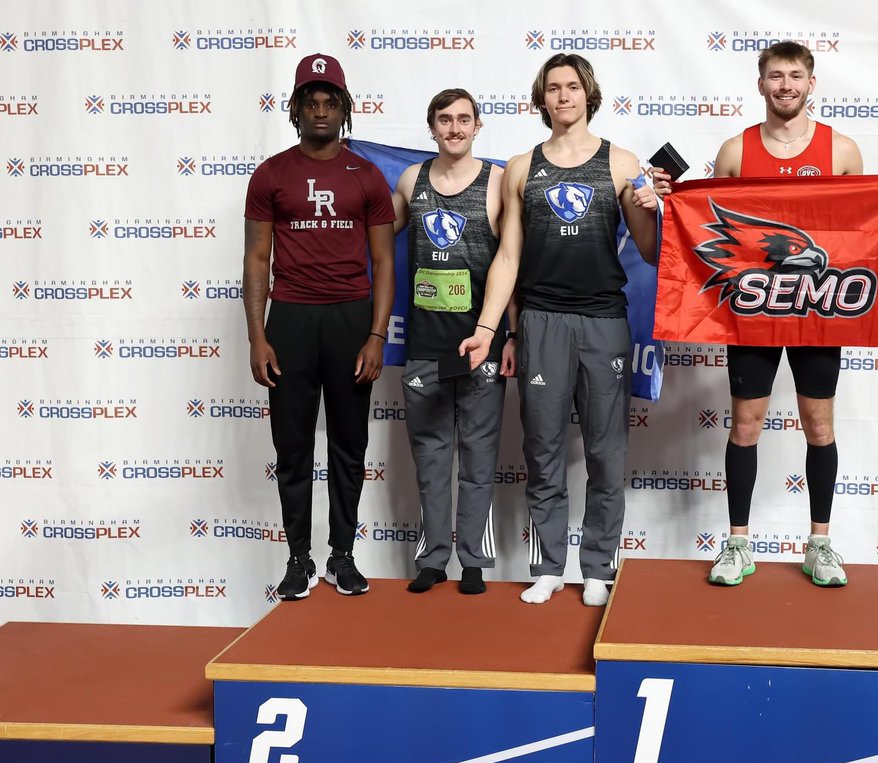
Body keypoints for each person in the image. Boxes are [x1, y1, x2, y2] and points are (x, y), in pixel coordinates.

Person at [701, 41, 878, 588]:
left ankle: (820, 544)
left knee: (819, 425)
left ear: (811, 84)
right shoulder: (735, 151)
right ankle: (737, 543)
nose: (785, 85)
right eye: (775, 76)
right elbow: (710, 222)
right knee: (746, 425)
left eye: (795, 76)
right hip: (755, 310)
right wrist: (665, 199)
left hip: (820, 310)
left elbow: (864, 225)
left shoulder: (842, 150)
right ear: (760, 84)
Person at [459, 53, 661, 606]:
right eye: (553, 88)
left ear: (587, 94)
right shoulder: (521, 167)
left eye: (572, 86)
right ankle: (548, 566)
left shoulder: (621, 162)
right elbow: (508, 258)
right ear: (541, 98)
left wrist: (650, 207)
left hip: (604, 320)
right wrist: (488, 328)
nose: (564, 96)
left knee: (606, 452)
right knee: (542, 449)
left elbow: (648, 250)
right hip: (541, 322)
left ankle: (598, 568)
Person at [243, 53, 396, 600]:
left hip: (350, 318)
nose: (321, 110)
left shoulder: (367, 176)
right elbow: (257, 259)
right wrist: (257, 335)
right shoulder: (271, 174)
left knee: (349, 445)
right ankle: (298, 559)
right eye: (311, 102)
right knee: (292, 447)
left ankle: (342, 556)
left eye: (331, 102)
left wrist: (376, 336)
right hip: (290, 319)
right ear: (296, 109)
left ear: (345, 108)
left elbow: (384, 262)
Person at [390, 89, 512, 595]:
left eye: (464, 119)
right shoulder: (410, 180)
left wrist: (510, 334)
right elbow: (374, 236)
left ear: (478, 125)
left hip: (480, 344)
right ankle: (433, 558)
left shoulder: (498, 181)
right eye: (445, 119)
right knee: (431, 457)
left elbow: (514, 260)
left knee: (479, 456)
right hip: (425, 343)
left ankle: (474, 562)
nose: (454, 128)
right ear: (432, 126)